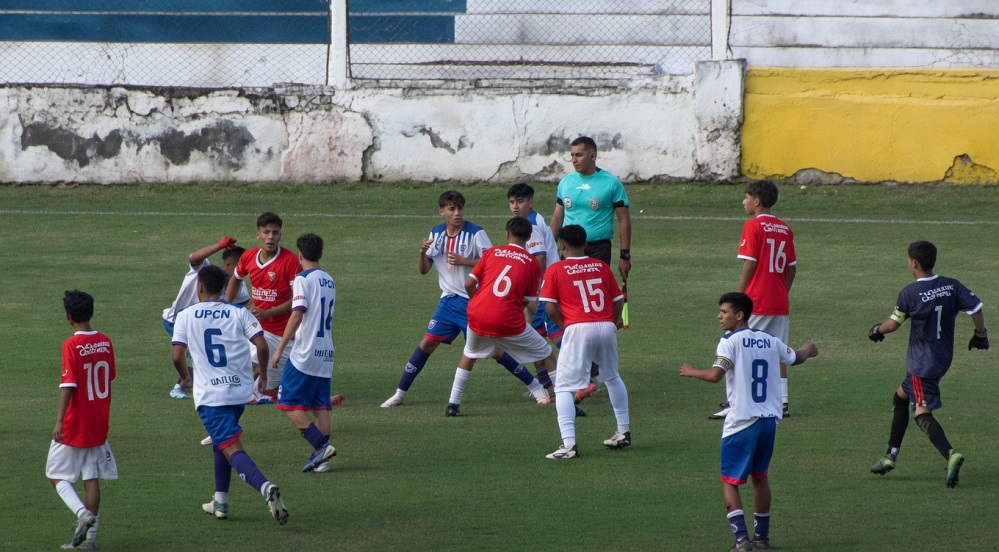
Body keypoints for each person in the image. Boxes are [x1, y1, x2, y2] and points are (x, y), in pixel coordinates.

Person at [381, 191, 547, 408]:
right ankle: (400, 393)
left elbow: (493, 264)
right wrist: (422, 254)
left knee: (495, 352)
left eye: (460, 208)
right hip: (448, 302)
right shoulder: (436, 233)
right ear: (442, 212)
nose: (457, 213)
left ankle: (536, 387)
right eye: (452, 209)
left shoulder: (476, 233)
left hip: (474, 302)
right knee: (427, 343)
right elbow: (424, 270)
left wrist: (465, 261)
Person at [680, 292, 817, 551]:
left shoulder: (729, 341)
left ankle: (742, 540)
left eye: (724, 311)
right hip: (768, 422)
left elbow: (715, 375)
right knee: (760, 478)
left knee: (730, 482)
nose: (719, 316)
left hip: (741, 422)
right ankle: (762, 539)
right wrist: (808, 351)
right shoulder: (770, 339)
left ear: (739, 315)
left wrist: (691, 371)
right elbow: (795, 358)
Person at [172, 265, 289, 524]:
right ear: (224, 288)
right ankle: (220, 501)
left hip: (212, 396)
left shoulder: (186, 315)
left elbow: (177, 355)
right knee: (220, 441)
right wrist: (264, 376)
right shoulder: (239, 312)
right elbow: (261, 345)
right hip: (239, 393)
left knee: (231, 446)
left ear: (199, 287)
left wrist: (186, 377)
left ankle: (265, 487)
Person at [867, 240, 987, 488]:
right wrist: (980, 334)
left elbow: (893, 325)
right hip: (943, 358)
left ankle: (951, 454)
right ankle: (891, 455)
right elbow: (976, 307)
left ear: (914, 264)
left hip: (921, 364)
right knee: (900, 398)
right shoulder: (951, 285)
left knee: (921, 412)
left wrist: (877, 330)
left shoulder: (909, 293)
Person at [444, 217, 557, 416]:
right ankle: (563, 400)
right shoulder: (532, 264)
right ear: (529, 237)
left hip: (477, 315)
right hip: (507, 320)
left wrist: (477, 303)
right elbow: (529, 300)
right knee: (547, 353)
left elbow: (469, 284)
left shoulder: (492, 252)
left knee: (469, 355)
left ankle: (453, 404)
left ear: (507, 233)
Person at [550, 136, 631, 403]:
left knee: (594, 301)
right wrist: (552, 247)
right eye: (572, 155)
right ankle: (587, 360)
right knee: (569, 301)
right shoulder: (566, 182)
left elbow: (623, 219)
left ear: (593, 156)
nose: (574, 159)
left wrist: (625, 254)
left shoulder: (610, 183)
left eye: (579, 155)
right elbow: (558, 215)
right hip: (568, 250)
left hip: (597, 249)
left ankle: (593, 362)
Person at [539, 225, 630, 459]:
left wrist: (566, 325)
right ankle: (623, 431)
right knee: (612, 377)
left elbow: (549, 307)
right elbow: (617, 298)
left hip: (579, 327)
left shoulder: (556, 270)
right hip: (605, 326)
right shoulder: (601, 266)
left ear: (562, 246)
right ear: (586, 244)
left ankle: (569, 445)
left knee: (563, 387)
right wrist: (613, 320)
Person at [712, 180, 796, 420]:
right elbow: (792, 268)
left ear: (756, 201)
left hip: (756, 300)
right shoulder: (785, 228)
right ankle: (783, 401)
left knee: (741, 348)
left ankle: (735, 401)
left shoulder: (753, 226)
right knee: (777, 349)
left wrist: (739, 298)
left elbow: (750, 262)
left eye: (746, 197)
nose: (744, 201)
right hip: (779, 301)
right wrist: (782, 290)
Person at [47, 290, 118, 550]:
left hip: (76, 422)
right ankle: (90, 540)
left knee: (55, 475)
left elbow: (69, 384)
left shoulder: (71, 345)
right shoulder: (106, 341)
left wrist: (59, 422)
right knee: (90, 476)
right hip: (99, 420)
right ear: (91, 312)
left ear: (68, 317)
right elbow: (109, 378)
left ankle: (82, 514)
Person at [271, 233, 338, 474]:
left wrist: (279, 348)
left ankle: (321, 447)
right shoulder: (330, 280)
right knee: (320, 406)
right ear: (320, 254)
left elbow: (298, 312)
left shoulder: (302, 278)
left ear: (299, 255)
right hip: (326, 353)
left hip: (305, 353)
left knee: (287, 403)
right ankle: (324, 462)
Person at [225, 212, 302, 403]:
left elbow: (297, 301)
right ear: (257, 234)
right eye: (266, 232)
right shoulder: (249, 256)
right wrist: (226, 307)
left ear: (280, 235)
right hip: (258, 327)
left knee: (268, 387)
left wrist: (268, 312)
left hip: (283, 333)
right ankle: (231, 396)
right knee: (250, 364)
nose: (270, 237)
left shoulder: (291, 261)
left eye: (275, 232)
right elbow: (235, 279)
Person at [162, 236, 250, 400]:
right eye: (242, 266)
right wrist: (219, 245)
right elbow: (193, 257)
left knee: (204, 354)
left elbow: (244, 303)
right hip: (177, 321)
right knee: (199, 355)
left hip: (201, 323)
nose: (244, 271)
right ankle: (180, 386)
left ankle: (189, 385)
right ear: (229, 265)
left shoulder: (238, 283)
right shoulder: (206, 271)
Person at [508, 183, 562, 391]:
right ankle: (547, 386)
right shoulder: (529, 220)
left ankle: (583, 368)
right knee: (536, 338)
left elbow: (539, 258)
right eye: (512, 202)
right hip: (545, 288)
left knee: (550, 335)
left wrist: (533, 290)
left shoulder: (531, 224)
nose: (515, 206)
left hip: (545, 289)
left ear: (530, 202)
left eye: (520, 202)